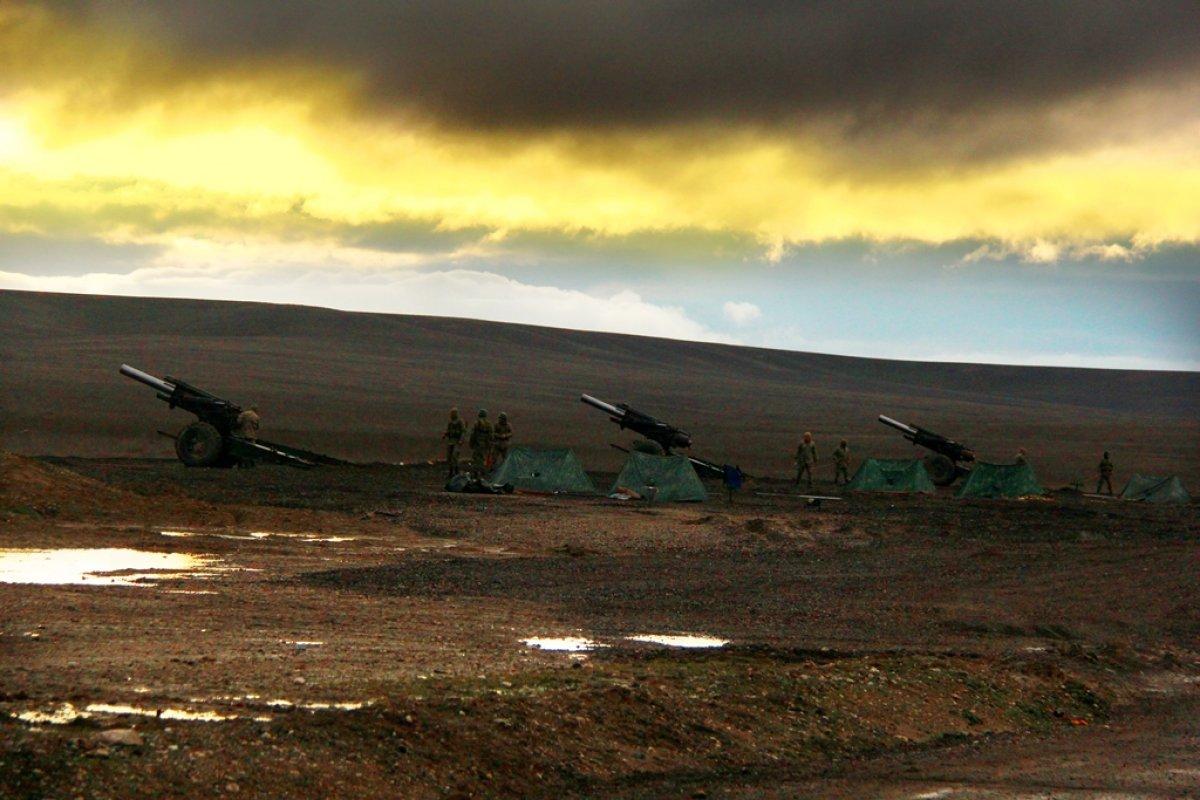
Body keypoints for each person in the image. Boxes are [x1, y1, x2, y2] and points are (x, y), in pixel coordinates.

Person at [441, 407, 466, 479]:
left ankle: (456, 472)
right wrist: (445, 435)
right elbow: (448, 430)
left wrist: (461, 440)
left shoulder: (460, 422)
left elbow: (463, 432)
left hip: (457, 441)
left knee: (455, 457)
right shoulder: (450, 422)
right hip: (451, 441)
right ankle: (451, 472)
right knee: (449, 457)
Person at [468, 409, 493, 476]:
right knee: (483, 458)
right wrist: (489, 444)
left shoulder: (477, 423)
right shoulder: (488, 424)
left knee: (476, 458)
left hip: (478, 444)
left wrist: (471, 443)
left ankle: (476, 472)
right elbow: (491, 435)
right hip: (485, 444)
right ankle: (483, 472)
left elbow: (473, 434)